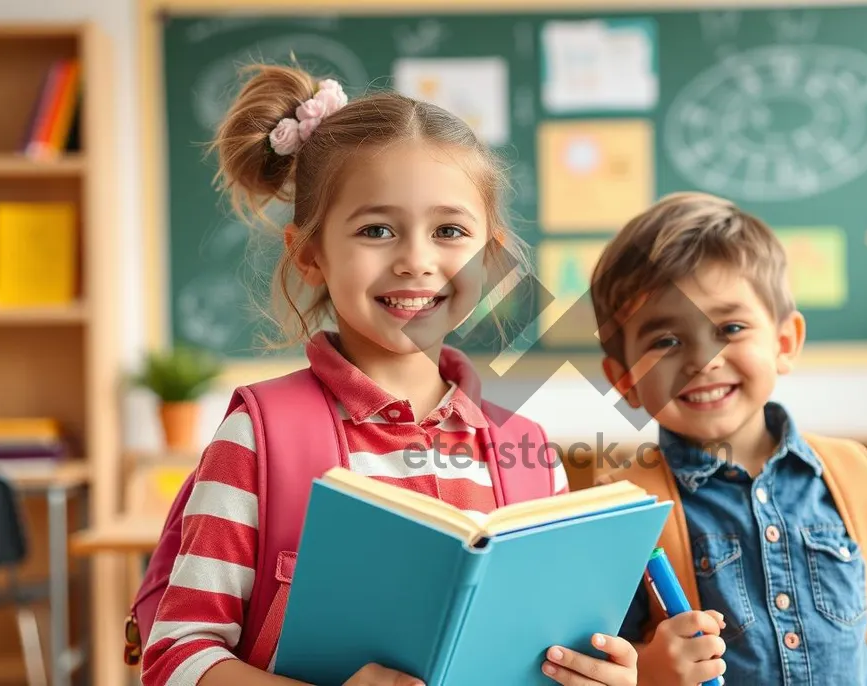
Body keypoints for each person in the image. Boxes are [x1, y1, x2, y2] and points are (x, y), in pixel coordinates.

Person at [138, 64, 638, 686]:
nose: (417, 261)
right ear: (310, 253)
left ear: (488, 255)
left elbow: (546, 653)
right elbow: (177, 658)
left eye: (450, 231)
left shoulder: (530, 452)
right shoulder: (258, 437)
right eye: (376, 230)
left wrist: (596, 672)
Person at [589, 192, 867, 685]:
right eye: (666, 341)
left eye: (730, 328)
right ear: (624, 379)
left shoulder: (851, 476)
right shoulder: (621, 512)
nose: (702, 360)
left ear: (784, 342)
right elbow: (599, 662)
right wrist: (648, 675)